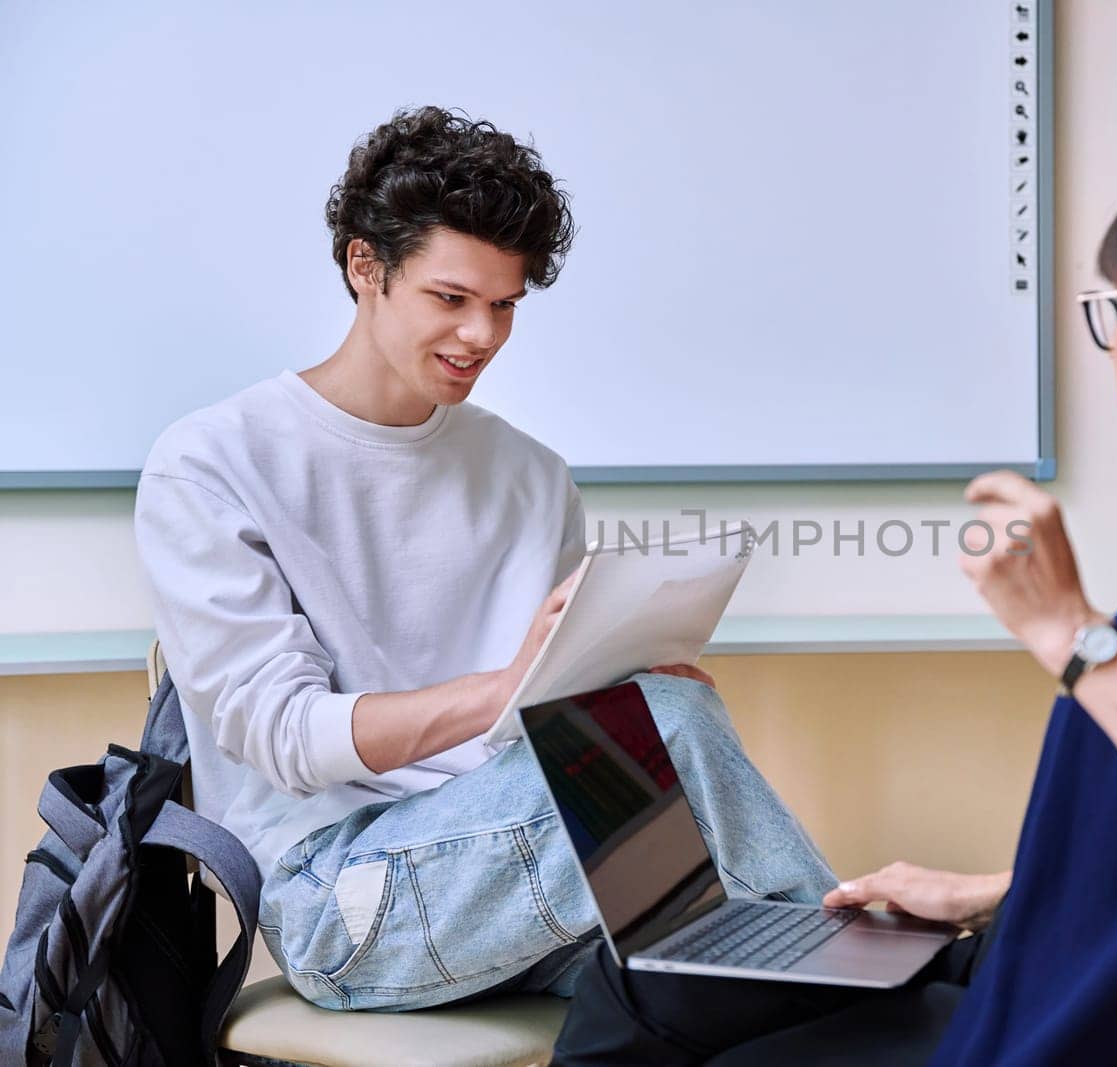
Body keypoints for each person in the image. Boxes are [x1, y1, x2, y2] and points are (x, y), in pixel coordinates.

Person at [551, 141, 1117, 1065]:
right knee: (651, 976)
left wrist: (1073, 634)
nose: (1110, 336)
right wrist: (1003, 890)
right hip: (1077, 971)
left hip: (1074, 1023)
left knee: (637, 1004)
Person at [132, 106, 835, 1011]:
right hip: (340, 896)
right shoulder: (213, 464)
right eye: (451, 299)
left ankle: (860, 985)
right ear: (364, 267)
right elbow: (288, 735)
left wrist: (607, 684)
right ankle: (886, 974)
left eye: (504, 305)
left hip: (530, 865)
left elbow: (545, 726)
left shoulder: (531, 476)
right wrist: (510, 689)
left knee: (730, 983)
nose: (482, 337)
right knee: (675, 745)